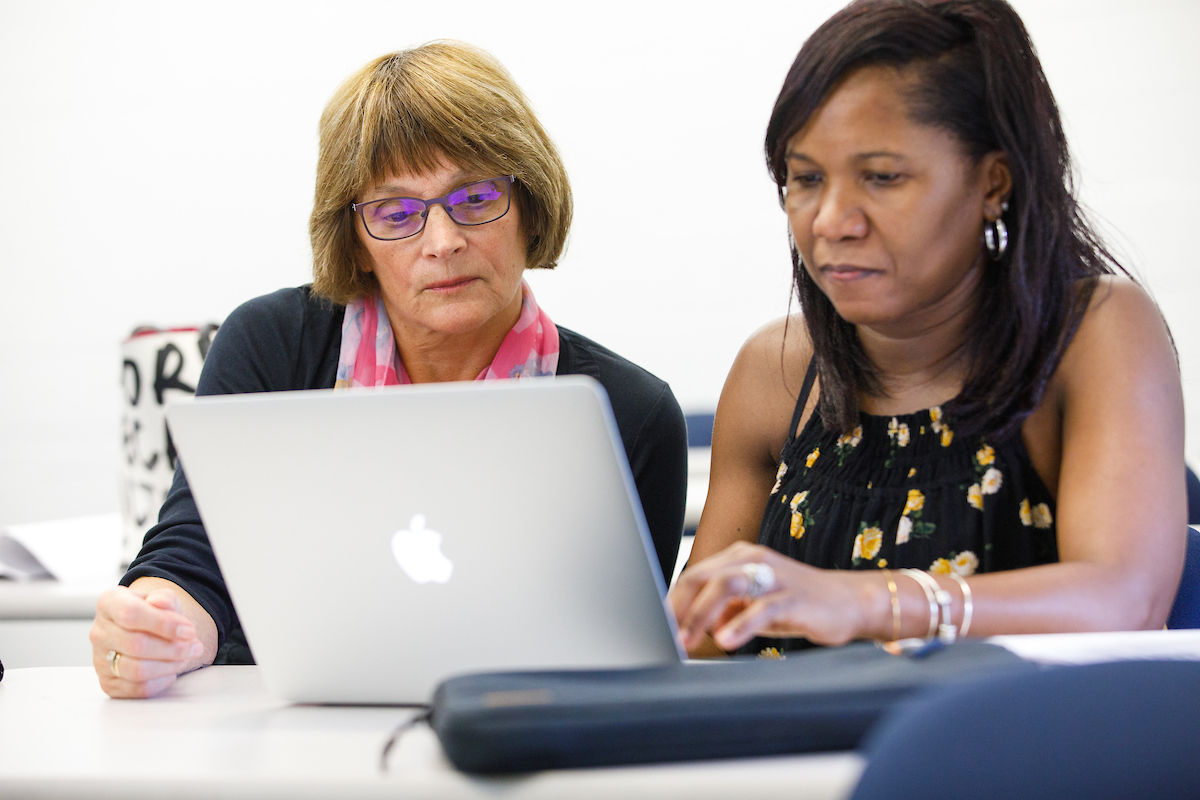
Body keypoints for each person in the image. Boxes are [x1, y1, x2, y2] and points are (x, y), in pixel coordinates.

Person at [91, 42, 688, 698]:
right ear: (356, 242)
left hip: (513, 743)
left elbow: (623, 654)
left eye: (477, 196)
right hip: (292, 734)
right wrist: (159, 629)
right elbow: (192, 556)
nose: (442, 241)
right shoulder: (273, 345)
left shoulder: (631, 412)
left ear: (530, 205)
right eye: (396, 213)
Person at [671, 0, 1186, 657]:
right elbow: (702, 647)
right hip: (782, 757)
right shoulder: (775, 368)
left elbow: (1122, 601)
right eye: (805, 179)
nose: (831, 220)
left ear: (992, 182)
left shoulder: (1093, 333)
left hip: (1002, 755)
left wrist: (866, 601)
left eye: (882, 177)